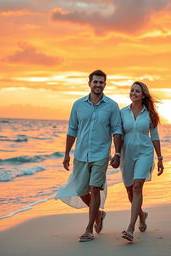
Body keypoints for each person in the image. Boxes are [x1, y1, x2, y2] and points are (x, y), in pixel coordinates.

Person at [55, 70, 122, 242]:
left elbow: (116, 130)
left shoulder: (112, 106)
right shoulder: (78, 105)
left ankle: (89, 229)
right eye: (95, 82)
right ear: (89, 83)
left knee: (94, 189)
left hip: (100, 155)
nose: (98, 85)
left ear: (105, 84)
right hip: (80, 154)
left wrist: (117, 153)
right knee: (80, 190)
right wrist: (66, 154)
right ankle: (99, 214)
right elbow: (72, 130)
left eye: (101, 82)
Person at [120, 81, 164, 242]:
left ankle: (130, 228)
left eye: (137, 91)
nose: (133, 93)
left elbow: (155, 137)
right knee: (130, 191)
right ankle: (141, 215)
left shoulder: (150, 115)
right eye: (132, 90)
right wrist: (116, 154)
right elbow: (117, 134)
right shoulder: (122, 113)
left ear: (143, 95)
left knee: (138, 186)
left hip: (145, 153)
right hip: (127, 155)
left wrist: (159, 158)